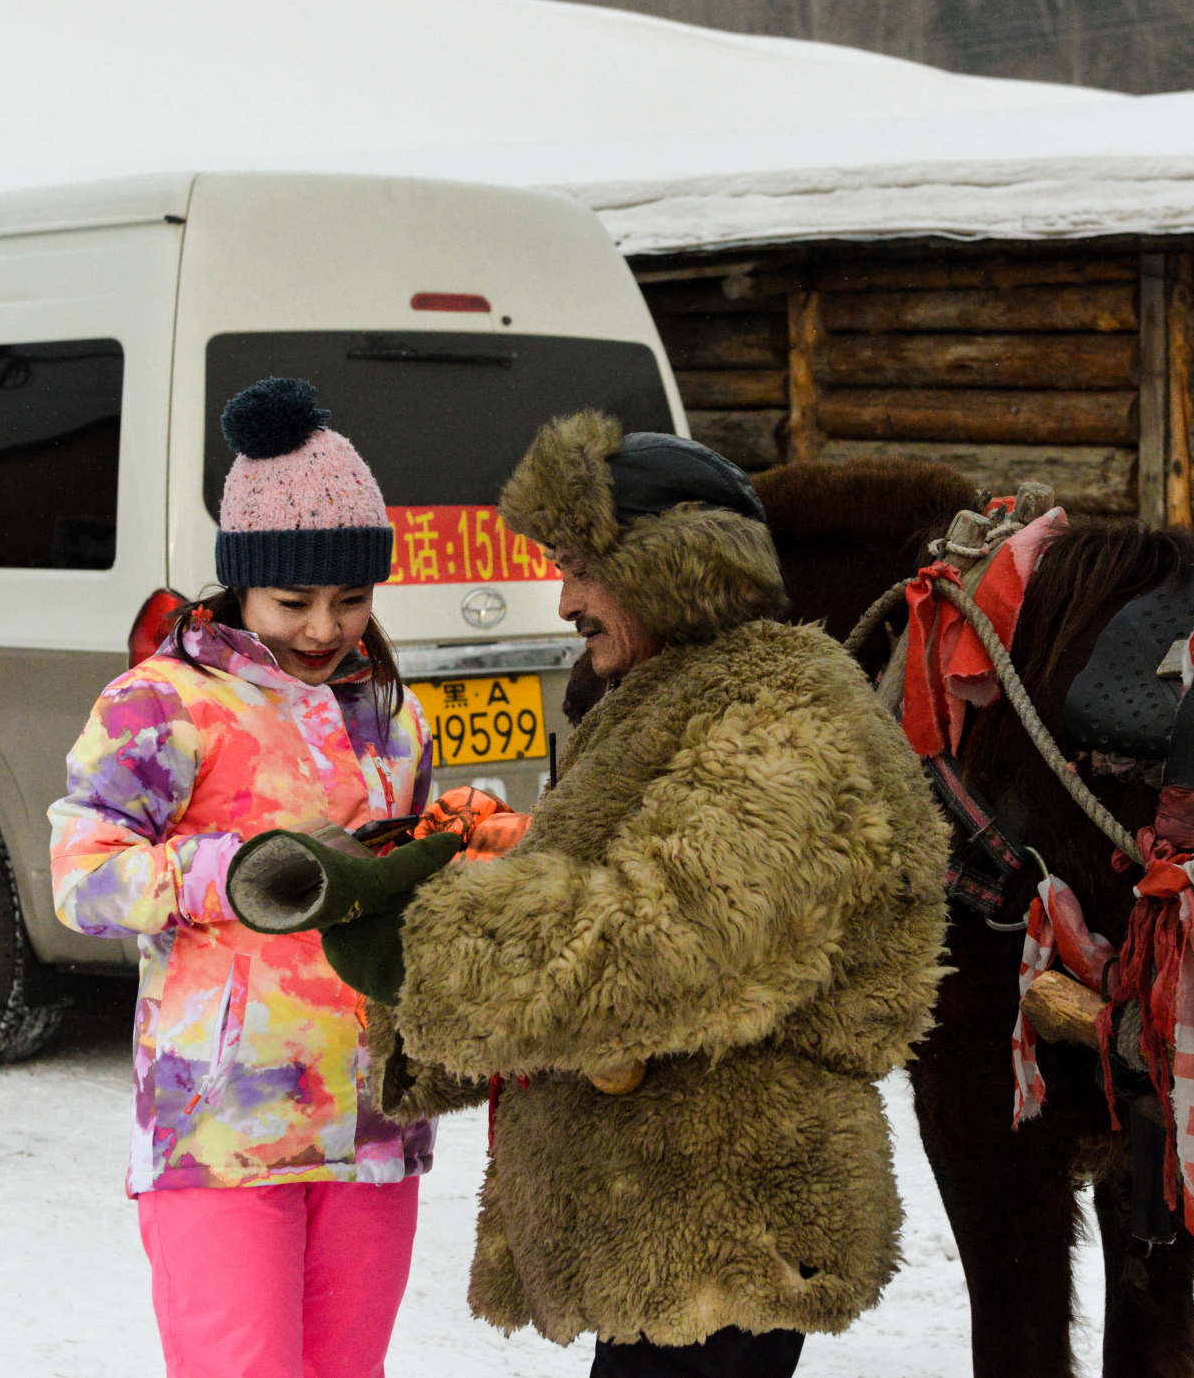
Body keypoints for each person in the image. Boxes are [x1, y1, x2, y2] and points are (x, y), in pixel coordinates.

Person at [325, 412, 952, 1377]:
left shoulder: (780, 719)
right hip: (663, 1206)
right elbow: (588, 890)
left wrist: (430, 947)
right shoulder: (664, 698)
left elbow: (663, 933)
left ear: (674, 566)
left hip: (726, 1211)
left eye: (583, 564)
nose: (564, 595)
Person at [48, 377, 452, 1378]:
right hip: (219, 1130)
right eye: (294, 601)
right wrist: (221, 873)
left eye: (351, 600)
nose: (325, 628)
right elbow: (80, 873)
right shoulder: (163, 705)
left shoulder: (392, 717)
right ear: (239, 583)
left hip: (370, 1119)